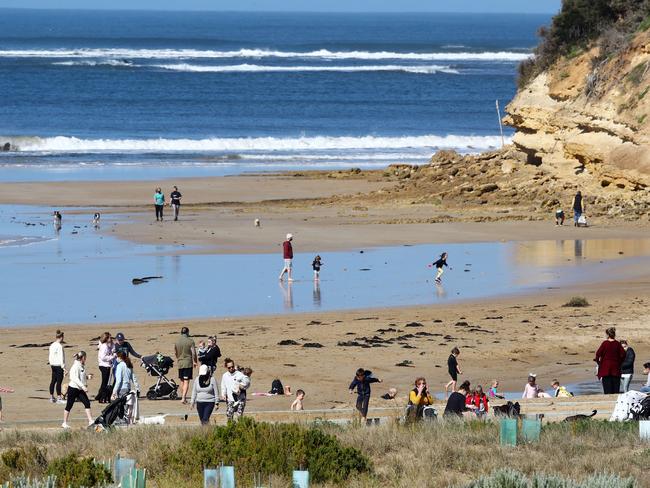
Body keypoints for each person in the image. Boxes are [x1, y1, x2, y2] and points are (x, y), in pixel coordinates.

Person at [62, 351, 93, 429]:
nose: (85, 359)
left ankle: (90, 421)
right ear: (82, 358)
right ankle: (64, 423)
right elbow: (74, 378)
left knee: (87, 403)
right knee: (69, 405)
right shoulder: (75, 366)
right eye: (85, 358)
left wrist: (87, 377)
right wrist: (83, 387)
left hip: (79, 389)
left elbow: (81, 377)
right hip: (73, 388)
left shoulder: (81, 365)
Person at [594, 327, 626, 395]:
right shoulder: (617, 344)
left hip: (606, 369)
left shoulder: (605, 343)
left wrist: (600, 364)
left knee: (607, 391)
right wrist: (619, 363)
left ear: (607, 335)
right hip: (615, 369)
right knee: (615, 391)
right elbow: (623, 355)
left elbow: (598, 354)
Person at [112, 351, 140, 423]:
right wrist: (137, 388)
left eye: (117, 357)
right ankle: (126, 420)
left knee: (121, 406)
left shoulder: (119, 366)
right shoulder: (129, 365)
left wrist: (114, 392)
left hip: (121, 389)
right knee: (126, 406)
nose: (116, 359)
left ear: (120, 358)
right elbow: (134, 379)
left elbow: (118, 381)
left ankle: (122, 421)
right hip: (128, 388)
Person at [174, 327, 197, 404]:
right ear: (187, 332)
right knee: (186, 381)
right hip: (187, 362)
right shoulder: (190, 341)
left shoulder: (177, 341)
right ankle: (183, 398)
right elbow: (193, 353)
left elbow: (175, 353)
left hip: (180, 362)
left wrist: (179, 358)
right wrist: (195, 361)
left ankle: (183, 396)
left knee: (181, 380)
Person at [96, 332, 115, 403]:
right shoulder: (104, 346)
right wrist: (112, 357)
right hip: (104, 365)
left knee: (104, 382)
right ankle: (102, 398)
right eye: (110, 337)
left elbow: (113, 349)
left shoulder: (109, 345)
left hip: (107, 365)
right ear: (106, 338)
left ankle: (99, 396)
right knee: (105, 383)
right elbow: (103, 357)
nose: (111, 338)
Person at [48, 330, 66, 404]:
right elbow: (61, 357)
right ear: (61, 337)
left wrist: (51, 363)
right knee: (59, 382)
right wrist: (64, 367)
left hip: (53, 365)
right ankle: (59, 397)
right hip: (58, 365)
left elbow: (50, 355)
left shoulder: (52, 345)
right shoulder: (59, 346)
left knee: (53, 381)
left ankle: (51, 397)